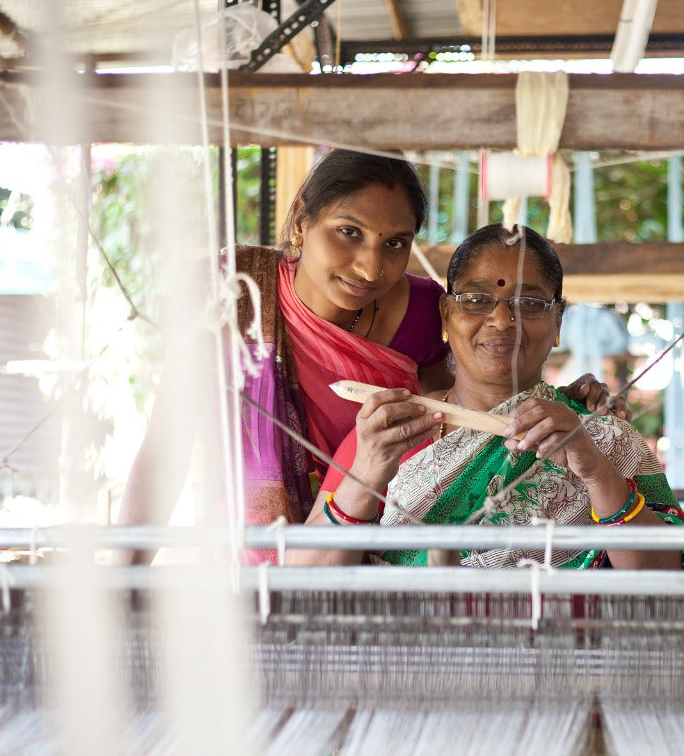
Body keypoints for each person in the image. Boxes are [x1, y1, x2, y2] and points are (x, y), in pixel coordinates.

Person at [117, 150, 619, 563]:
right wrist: (123, 578)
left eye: (395, 243)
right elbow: (165, 449)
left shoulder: (427, 313)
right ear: (300, 220)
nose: (371, 266)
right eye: (349, 232)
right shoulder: (230, 293)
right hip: (262, 553)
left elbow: (475, 406)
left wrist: (564, 403)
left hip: (372, 550)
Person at [295, 224, 684, 571]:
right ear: (445, 315)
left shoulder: (601, 438)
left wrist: (597, 473)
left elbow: (679, 579)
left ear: (558, 321)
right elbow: (301, 581)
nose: (500, 320)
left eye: (529, 303)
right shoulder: (388, 429)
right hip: (407, 663)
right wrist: (365, 477)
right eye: (476, 300)